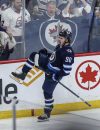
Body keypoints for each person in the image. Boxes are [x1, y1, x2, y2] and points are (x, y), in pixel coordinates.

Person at [10, 29, 74, 121]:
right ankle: (23, 74)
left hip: (54, 74)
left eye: (61, 38)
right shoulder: (59, 47)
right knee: (34, 55)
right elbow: (55, 58)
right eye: (58, 37)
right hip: (48, 66)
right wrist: (47, 54)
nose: (58, 39)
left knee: (47, 92)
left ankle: (47, 113)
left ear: (67, 40)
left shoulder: (68, 52)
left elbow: (67, 70)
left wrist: (55, 76)